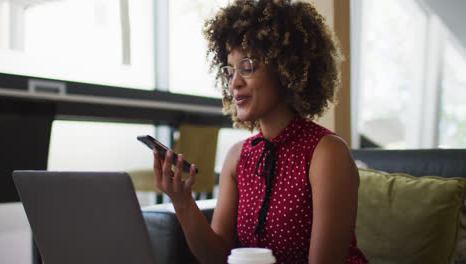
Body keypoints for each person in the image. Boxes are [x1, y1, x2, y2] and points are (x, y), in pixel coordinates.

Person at [152, 0, 368, 263]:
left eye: (246, 67)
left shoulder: (326, 153)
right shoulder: (238, 157)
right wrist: (182, 200)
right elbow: (218, 256)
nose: (234, 83)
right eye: (230, 72)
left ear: (285, 68)